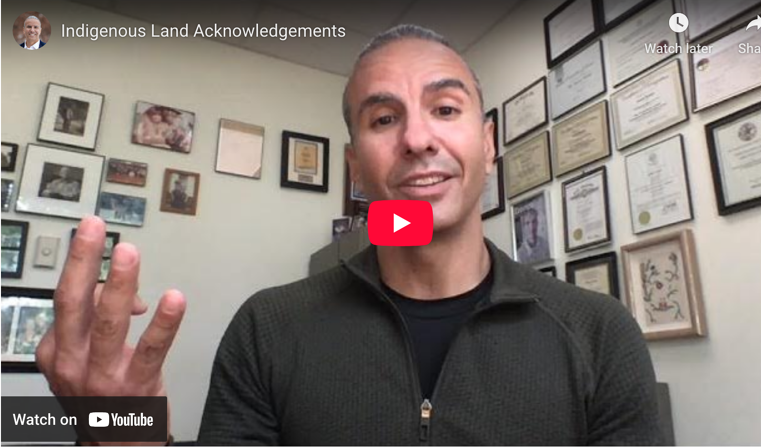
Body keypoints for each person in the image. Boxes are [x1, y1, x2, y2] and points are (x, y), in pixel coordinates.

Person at [35, 25, 663, 445]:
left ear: (490, 143)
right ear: (356, 166)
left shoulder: (599, 334)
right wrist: (119, 430)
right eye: (385, 118)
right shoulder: (269, 327)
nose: (418, 139)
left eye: (445, 109)